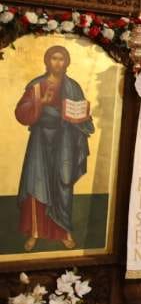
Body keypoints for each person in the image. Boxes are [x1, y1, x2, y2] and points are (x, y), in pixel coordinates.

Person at [14, 43, 92, 251]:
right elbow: (21, 113)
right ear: (47, 61)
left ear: (67, 62)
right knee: (36, 184)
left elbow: (82, 113)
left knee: (62, 185)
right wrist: (39, 102)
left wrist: (83, 117)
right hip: (40, 139)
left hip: (64, 140)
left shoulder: (73, 87)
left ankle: (64, 232)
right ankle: (34, 233)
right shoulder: (36, 85)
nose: (57, 63)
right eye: (54, 58)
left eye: (61, 59)